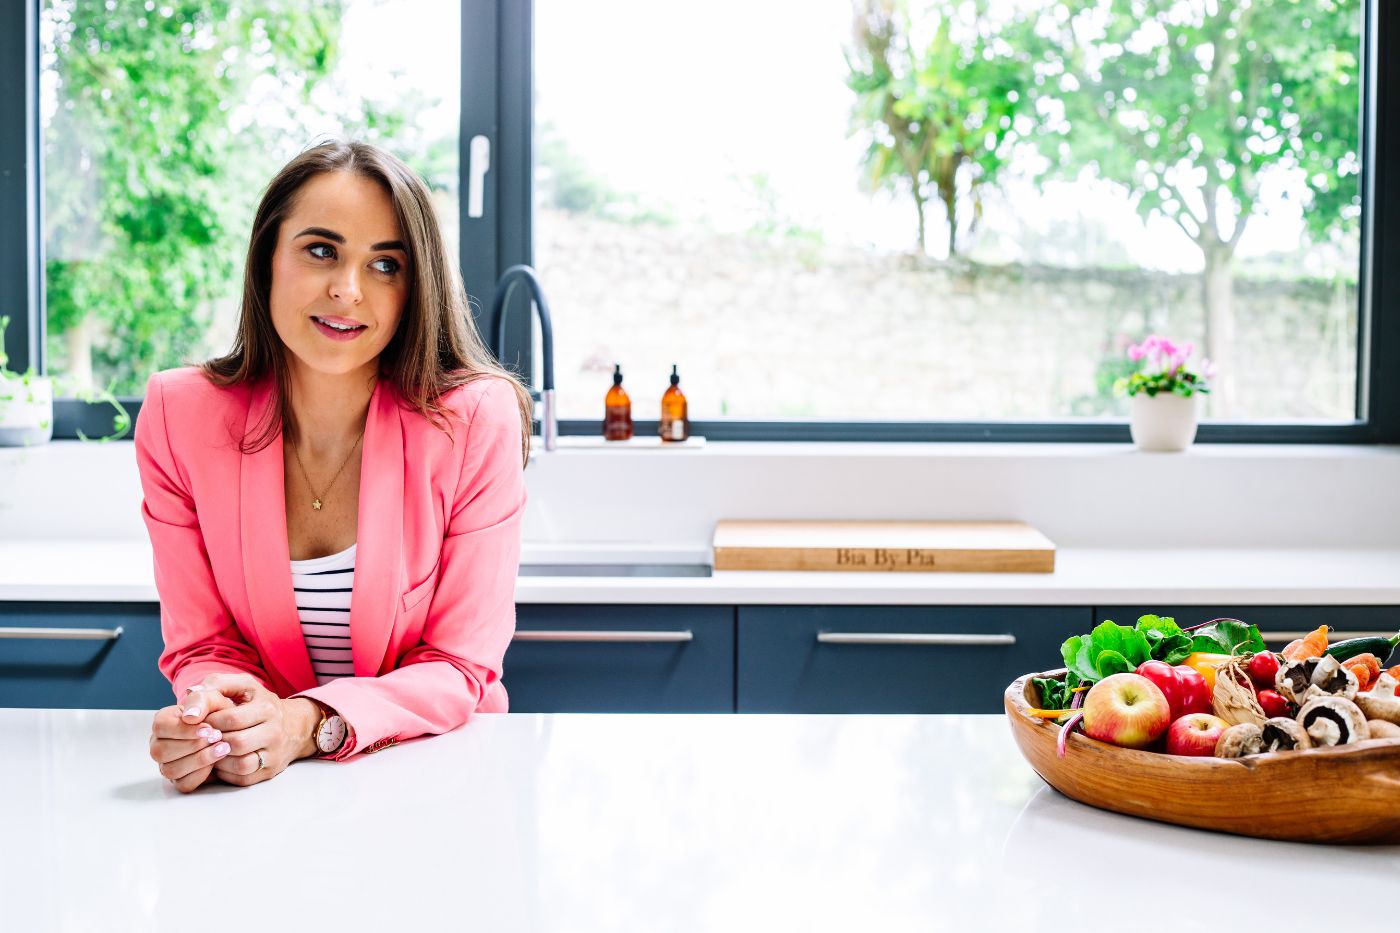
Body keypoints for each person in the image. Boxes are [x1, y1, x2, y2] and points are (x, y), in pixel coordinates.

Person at [135, 139, 532, 793]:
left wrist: (303, 723)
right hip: (261, 793)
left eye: (385, 264)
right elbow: (202, 644)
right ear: (267, 259)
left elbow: (459, 664)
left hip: (437, 783)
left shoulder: (475, 420)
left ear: (415, 287)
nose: (348, 289)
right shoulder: (180, 415)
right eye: (321, 250)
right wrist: (217, 716)